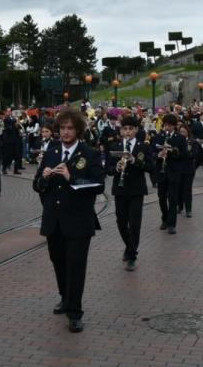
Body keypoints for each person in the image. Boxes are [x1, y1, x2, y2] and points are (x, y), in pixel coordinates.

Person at [33, 107, 105, 332]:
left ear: (78, 130)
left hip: (78, 221)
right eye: (62, 128)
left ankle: (75, 312)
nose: (65, 132)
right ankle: (65, 297)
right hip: (53, 220)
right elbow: (37, 185)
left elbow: (99, 185)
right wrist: (43, 179)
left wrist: (70, 177)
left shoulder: (89, 153)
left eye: (70, 128)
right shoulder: (51, 152)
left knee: (76, 266)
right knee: (58, 262)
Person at [107, 115, 151, 271]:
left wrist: (134, 161)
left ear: (136, 130)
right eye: (125, 129)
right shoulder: (116, 145)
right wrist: (116, 168)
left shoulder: (143, 146)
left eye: (131, 129)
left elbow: (150, 167)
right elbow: (108, 169)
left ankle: (132, 256)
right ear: (121, 130)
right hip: (120, 189)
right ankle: (129, 246)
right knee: (121, 221)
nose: (127, 132)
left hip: (136, 190)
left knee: (135, 223)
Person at [155, 113, 187, 234]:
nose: (167, 128)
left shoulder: (180, 138)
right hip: (161, 172)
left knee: (172, 199)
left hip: (174, 171)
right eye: (165, 125)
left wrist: (173, 151)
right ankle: (164, 218)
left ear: (174, 126)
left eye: (169, 126)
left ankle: (172, 224)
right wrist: (158, 154)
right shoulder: (159, 137)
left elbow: (184, 155)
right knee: (161, 197)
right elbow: (152, 151)